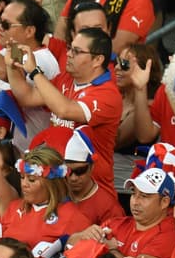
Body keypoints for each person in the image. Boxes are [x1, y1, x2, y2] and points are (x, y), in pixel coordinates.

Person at [8, 25, 122, 194]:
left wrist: (34, 72)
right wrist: (12, 66)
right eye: (69, 48)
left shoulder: (107, 94)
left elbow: (64, 110)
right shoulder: (65, 79)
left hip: (92, 189)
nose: (68, 54)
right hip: (59, 183)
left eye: (76, 51)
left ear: (98, 60)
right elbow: (27, 97)